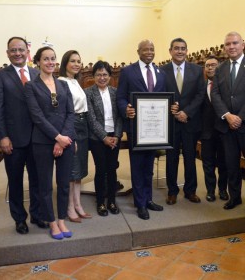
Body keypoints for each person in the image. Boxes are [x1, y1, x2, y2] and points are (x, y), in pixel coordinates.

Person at [0, 36, 48, 234]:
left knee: (37, 179)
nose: (17, 53)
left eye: (21, 50)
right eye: (13, 50)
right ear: (8, 53)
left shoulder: (36, 73)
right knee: (15, 180)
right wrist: (2, 137)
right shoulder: (0, 76)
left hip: (38, 138)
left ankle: (37, 214)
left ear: (27, 52)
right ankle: (19, 218)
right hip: (13, 139)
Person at [24, 46, 76, 240]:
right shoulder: (31, 86)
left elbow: (71, 113)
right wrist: (57, 137)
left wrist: (63, 139)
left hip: (66, 141)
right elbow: (37, 116)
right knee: (45, 185)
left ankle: (62, 219)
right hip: (42, 142)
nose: (50, 62)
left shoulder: (63, 85)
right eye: (46, 59)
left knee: (63, 184)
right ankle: (52, 222)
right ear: (38, 62)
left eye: (53, 58)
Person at [211, 31, 245, 213]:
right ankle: (235, 197)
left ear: (243, 45)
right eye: (228, 44)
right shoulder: (220, 69)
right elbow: (215, 94)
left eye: (235, 43)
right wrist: (227, 115)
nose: (231, 47)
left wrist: (240, 117)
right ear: (224, 47)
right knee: (231, 163)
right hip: (226, 126)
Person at [116, 39, 166, 220]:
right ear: (138, 52)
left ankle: (149, 199)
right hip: (136, 127)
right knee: (137, 166)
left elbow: (166, 98)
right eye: (145, 49)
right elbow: (120, 97)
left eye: (152, 49)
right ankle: (140, 204)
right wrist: (125, 109)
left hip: (154, 129)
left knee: (149, 166)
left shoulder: (160, 72)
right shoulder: (128, 72)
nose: (149, 52)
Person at [160, 38, 205, 205]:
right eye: (176, 48)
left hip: (190, 122)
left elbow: (200, 94)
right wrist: (169, 108)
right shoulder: (162, 71)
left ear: (187, 51)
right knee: (171, 159)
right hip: (171, 123)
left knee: (190, 157)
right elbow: (159, 95)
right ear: (170, 50)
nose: (180, 51)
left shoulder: (196, 70)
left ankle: (190, 191)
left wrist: (187, 112)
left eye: (183, 48)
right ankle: (172, 191)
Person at [85, 60, 123, 217]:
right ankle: (101, 202)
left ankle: (112, 201)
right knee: (101, 169)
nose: (102, 78)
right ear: (93, 76)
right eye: (98, 74)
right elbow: (91, 119)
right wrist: (104, 137)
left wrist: (117, 136)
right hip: (97, 138)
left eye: (105, 74)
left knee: (112, 168)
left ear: (110, 76)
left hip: (114, 136)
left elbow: (120, 117)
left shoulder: (116, 92)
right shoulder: (88, 93)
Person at [58, 50, 91, 223]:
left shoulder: (75, 81)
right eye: (73, 61)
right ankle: (69, 207)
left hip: (82, 124)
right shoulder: (61, 82)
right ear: (65, 63)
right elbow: (63, 112)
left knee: (79, 171)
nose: (77, 64)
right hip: (72, 126)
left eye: (79, 61)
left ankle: (78, 204)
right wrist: (70, 135)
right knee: (72, 170)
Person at [200, 56, 228, 202]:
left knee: (224, 163)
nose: (210, 68)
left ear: (219, 67)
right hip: (206, 132)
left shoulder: (226, 85)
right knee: (208, 163)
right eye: (207, 65)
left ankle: (223, 190)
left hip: (223, 130)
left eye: (213, 65)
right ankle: (210, 190)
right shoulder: (201, 86)